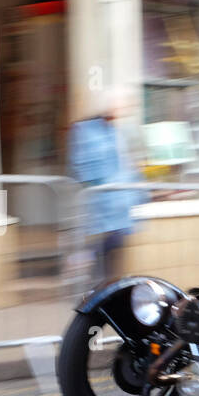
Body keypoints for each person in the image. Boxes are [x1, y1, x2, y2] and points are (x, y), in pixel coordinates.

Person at [68, 91, 143, 285]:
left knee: (115, 244)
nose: (121, 113)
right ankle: (85, 269)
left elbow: (126, 163)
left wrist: (137, 191)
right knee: (105, 244)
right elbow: (83, 163)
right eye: (119, 109)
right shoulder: (86, 130)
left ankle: (106, 284)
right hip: (103, 199)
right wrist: (97, 184)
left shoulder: (115, 131)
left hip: (119, 200)